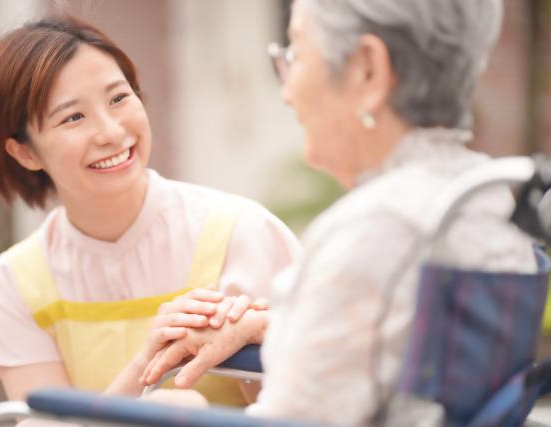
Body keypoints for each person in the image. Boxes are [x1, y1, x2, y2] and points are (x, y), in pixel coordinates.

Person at [138, 0, 540, 424]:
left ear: (368, 70)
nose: (288, 90)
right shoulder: (487, 200)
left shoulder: (375, 231)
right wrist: (266, 326)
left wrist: (185, 414)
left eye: (296, 54)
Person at [0, 14, 299, 408]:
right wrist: (147, 364)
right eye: (73, 117)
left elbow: (298, 404)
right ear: (26, 151)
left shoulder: (242, 234)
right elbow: (47, 423)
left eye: (119, 98)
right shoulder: (13, 283)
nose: (112, 132)